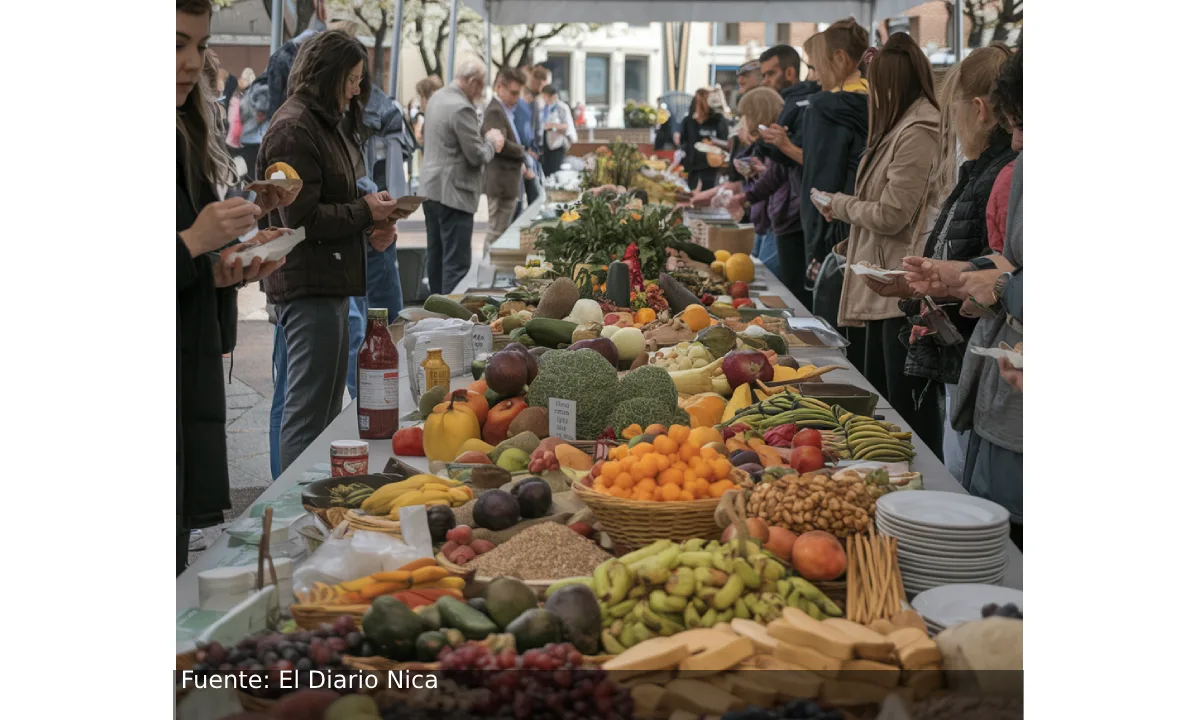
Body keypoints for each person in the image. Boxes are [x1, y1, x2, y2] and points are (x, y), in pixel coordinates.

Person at [176, 0, 289, 571]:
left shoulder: (185, 128)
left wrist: (225, 267)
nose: (192, 62)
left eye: (199, 45)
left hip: (185, 376)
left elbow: (189, 260)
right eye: (175, 45)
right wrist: (194, 243)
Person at [258, 30, 402, 472]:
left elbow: (326, 209)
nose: (358, 89)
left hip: (327, 279)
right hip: (308, 284)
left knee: (319, 412)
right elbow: (300, 220)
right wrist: (364, 211)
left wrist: (369, 224)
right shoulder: (295, 128)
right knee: (305, 413)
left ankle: (307, 507)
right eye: (353, 79)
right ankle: (290, 516)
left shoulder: (320, 123)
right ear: (331, 75)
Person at [870, 43, 1017, 477]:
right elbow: (974, 260)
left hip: (985, 361)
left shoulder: (1002, 175)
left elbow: (999, 267)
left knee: (965, 475)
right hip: (966, 348)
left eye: (952, 116)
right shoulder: (983, 171)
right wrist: (927, 287)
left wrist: (961, 288)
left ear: (978, 110)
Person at [907, 50, 1023, 543]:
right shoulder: (1001, 172)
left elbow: (1011, 271)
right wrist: (959, 276)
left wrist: (996, 287)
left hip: (998, 397)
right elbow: (1006, 262)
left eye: (1021, 125)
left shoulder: (1006, 174)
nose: (1016, 139)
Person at [813, 32, 943, 454]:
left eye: (876, 82)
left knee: (899, 411)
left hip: (898, 290)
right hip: (882, 281)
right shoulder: (903, 125)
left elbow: (892, 213)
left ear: (893, 84)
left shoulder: (918, 130)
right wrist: (851, 238)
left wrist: (841, 204)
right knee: (882, 402)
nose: (871, 92)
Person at [732, 42, 822, 302]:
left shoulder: (805, 107)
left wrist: (782, 146)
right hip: (789, 217)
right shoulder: (793, 108)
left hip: (796, 218)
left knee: (790, 293)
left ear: (791, 73)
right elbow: (780, 169)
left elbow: (806, 163)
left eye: (771, 74)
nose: (766, 80)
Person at [796, 20, 871, 317]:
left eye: (816, 67)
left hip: (833, 226)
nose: (813, 78)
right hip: (867, 224)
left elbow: (820, 183)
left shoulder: (825, 107)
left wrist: (815, 245)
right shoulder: (876, 99)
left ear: (839, 59)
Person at [422, 58, 507, 294]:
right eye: (481, 85)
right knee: (456, 265)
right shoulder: (462, 107)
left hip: (430, 190)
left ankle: (435, 315)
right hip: (454, 194)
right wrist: (492, 141)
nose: (481, 91)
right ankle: (450, 320)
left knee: (436, 257)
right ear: (471, 82)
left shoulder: (437, 98)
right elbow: (477, 155)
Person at [482, 67, 530, 248]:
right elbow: (499, 145)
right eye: (513, 93)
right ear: (499, 87)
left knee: (500, 233)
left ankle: (491, 272)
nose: (516, 98)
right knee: (496, 233)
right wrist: (522, 151)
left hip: (506, 182)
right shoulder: (495, 110)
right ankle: (487, 274)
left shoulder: (505, 110)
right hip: (501, 184)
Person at [679, 88, 730, 191]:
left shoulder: (719, 120)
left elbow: (725, 143)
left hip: (712, 169)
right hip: (693, 168)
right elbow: (683, 142)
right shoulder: (689, 121)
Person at [540, 85, 576, 179]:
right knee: (545, 170)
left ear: (554, 96)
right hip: (547, 143)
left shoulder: (561, 107)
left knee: (554, 171)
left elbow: (566, 126)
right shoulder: (545, 108)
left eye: (546, 96)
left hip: (558, 144)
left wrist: (552, 126)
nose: (545, 99)